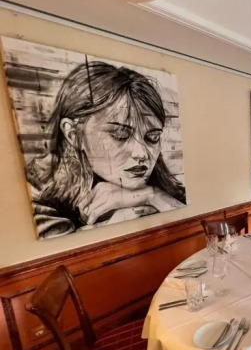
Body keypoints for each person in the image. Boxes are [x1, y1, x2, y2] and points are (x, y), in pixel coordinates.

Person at [27, 61, 186, 239]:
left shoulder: (166, 186)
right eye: (120, 134)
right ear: (73, 134)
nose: (141, 154)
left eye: (153, 137)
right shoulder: (37, 195)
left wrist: (152, 195)